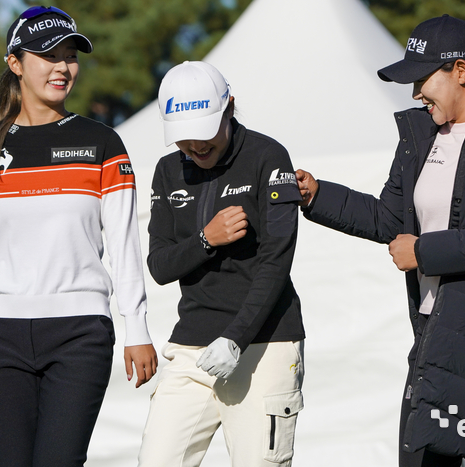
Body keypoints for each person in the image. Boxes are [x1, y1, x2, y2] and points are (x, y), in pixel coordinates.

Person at [296, 14, 465, 467]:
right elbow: (387, 218)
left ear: (460, 72)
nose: (415, 92)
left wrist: (422, 252)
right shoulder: (420, 136)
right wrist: (318, 195)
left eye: (421, 78)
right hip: (433, 336)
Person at [0, 6, 157, 466]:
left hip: (79, 333)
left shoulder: (102, 144)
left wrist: (136, 329)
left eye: (70, 56)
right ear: (15, 63)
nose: (62, 67)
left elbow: (124, 245)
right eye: (47, 55)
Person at [137, 61, 306, 467]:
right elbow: (160, 266)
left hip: (263, 346)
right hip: (190, 351)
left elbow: (276, 261)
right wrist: (205, 240)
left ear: (230, 107)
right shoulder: (166, 170)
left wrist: (235, 337)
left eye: (204, 131)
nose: (194, 146)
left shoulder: (269, 156)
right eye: (183, 137)